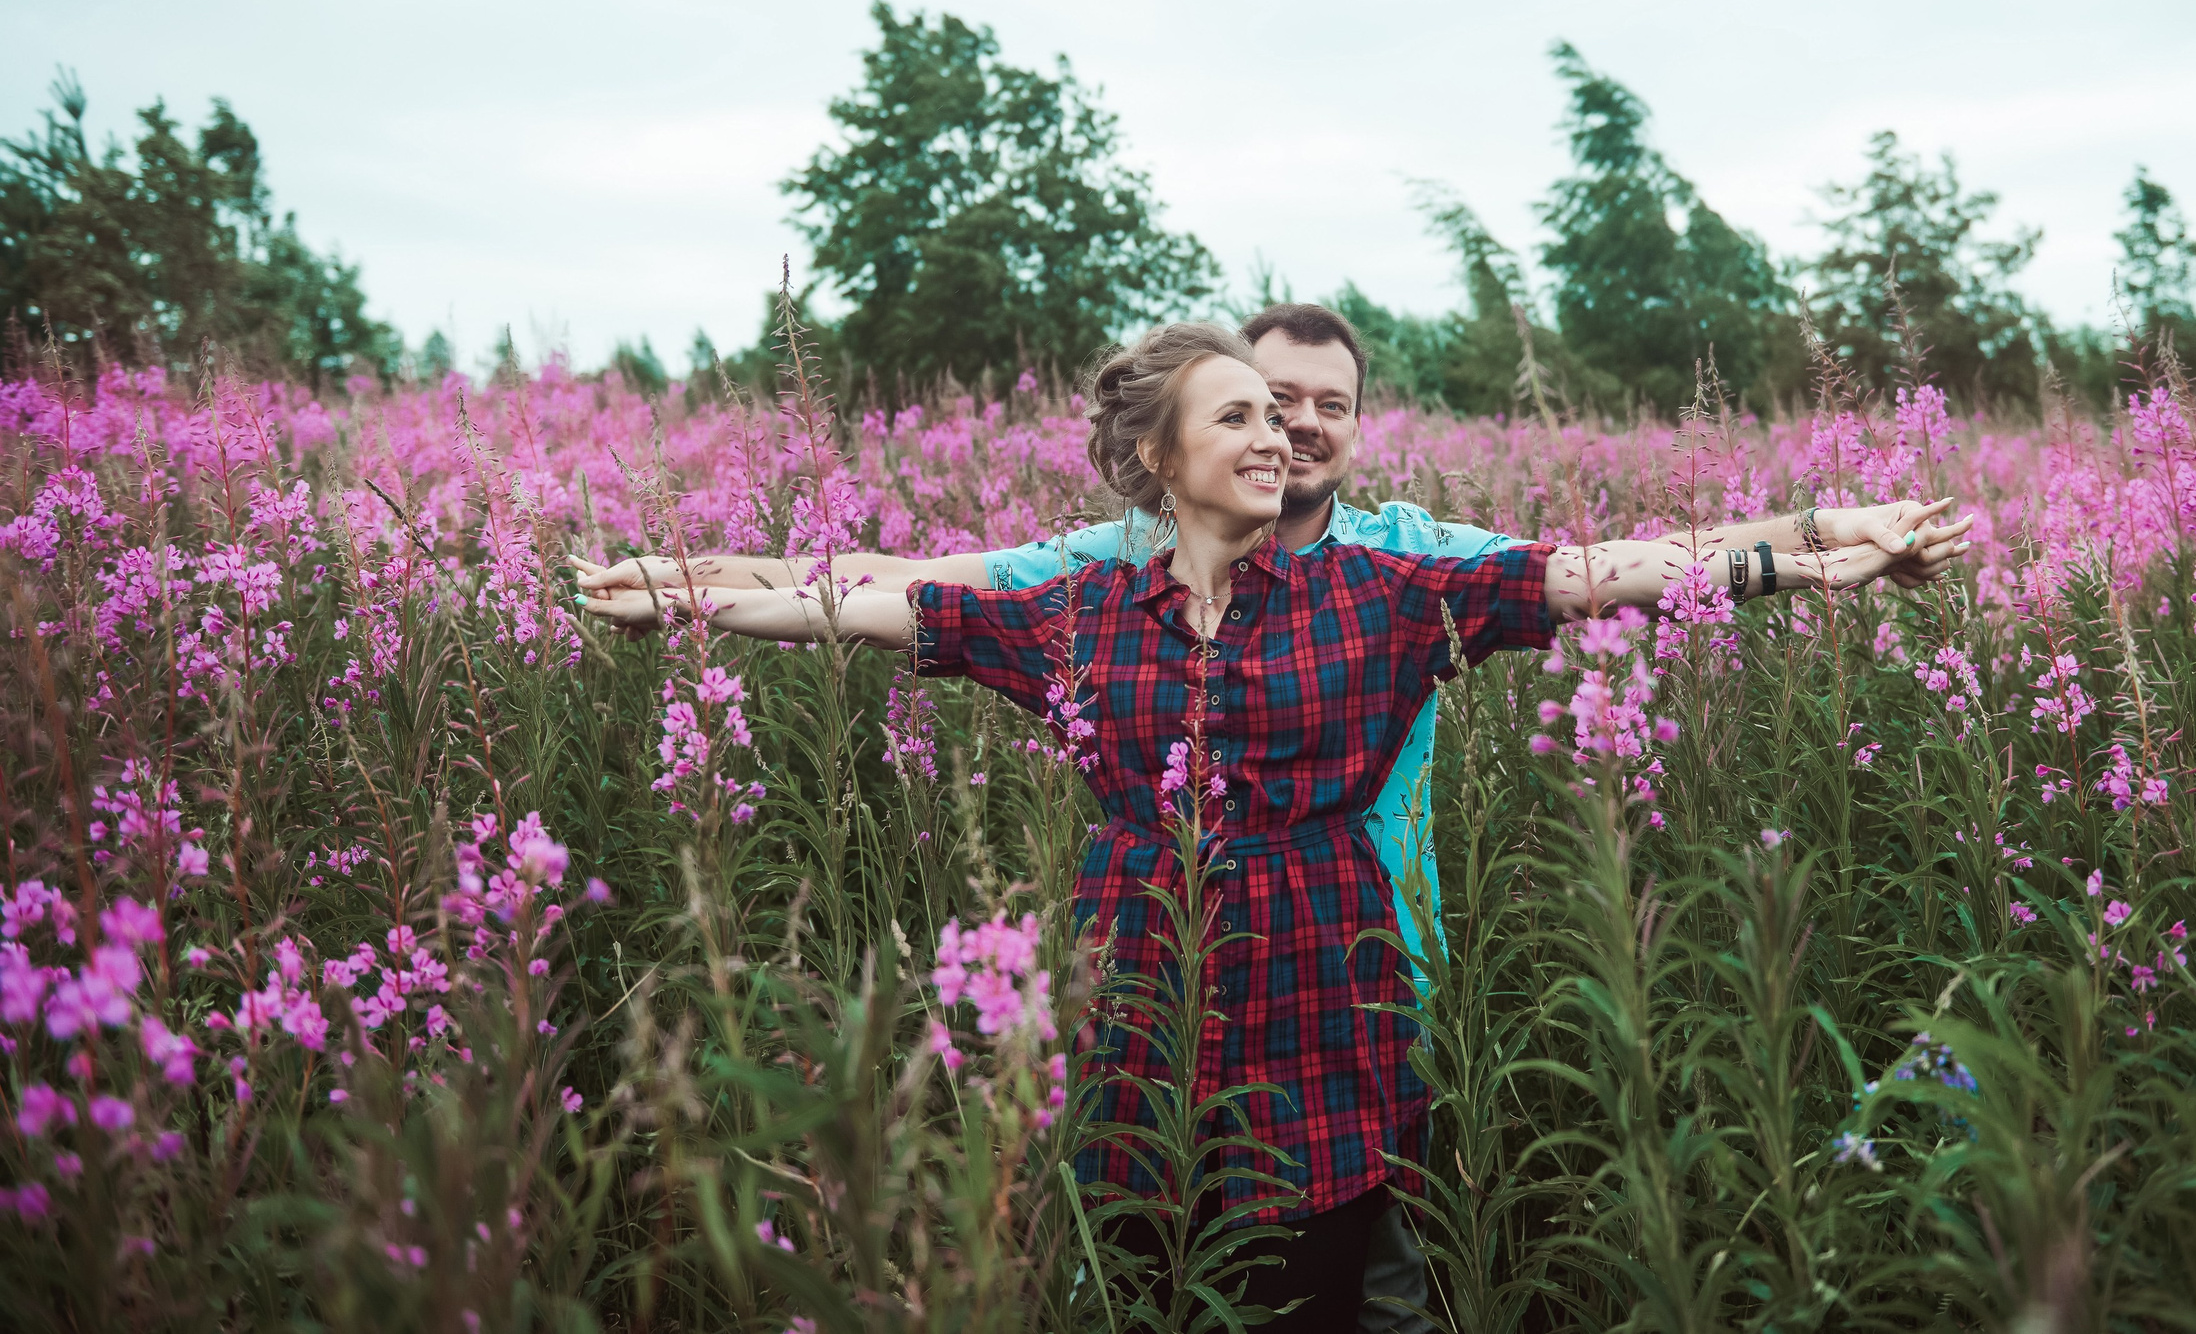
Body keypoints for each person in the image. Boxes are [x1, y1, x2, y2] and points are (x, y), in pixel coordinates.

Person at [575, 302, 1967, 1331]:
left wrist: (1833, 552)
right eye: (1245, 410)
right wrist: (684, 584)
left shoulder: (1386, 588)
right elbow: (873, 597)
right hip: (1142, 1006)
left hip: (1328, 1005)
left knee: (1324, 1290)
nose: (1285, 432)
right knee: (1144, 1274)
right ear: (1160, 453)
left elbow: (1608, 572)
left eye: (1303, 411)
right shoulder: (1070, 601)